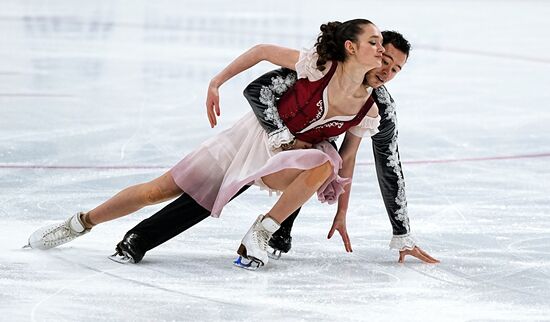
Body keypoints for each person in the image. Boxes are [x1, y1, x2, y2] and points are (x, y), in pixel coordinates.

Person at [27, 18, 389, 269]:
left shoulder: (370, 105)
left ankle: (262, 232)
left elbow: (349, 159)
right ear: (350, 47)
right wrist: (217, 82)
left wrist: (341, 211)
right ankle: (78, 223)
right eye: (373, 42)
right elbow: (262, 50)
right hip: (250, 138)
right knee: (157, 191)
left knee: (326, 164)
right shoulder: (317, 65)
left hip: (284, 158)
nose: (381, 50)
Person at [111, 31, 439, 265]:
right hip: (261, 135)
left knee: (324, 156)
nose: (387, 71)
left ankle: (275, 229)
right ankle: (139, 238)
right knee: (207, 190)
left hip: (302, 153)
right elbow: (258, 88)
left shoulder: (376, 107)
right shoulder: (323, 66)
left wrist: (399, 231)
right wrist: (275, 132)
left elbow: (381, 163)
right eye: (384, 59)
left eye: (396, 69)